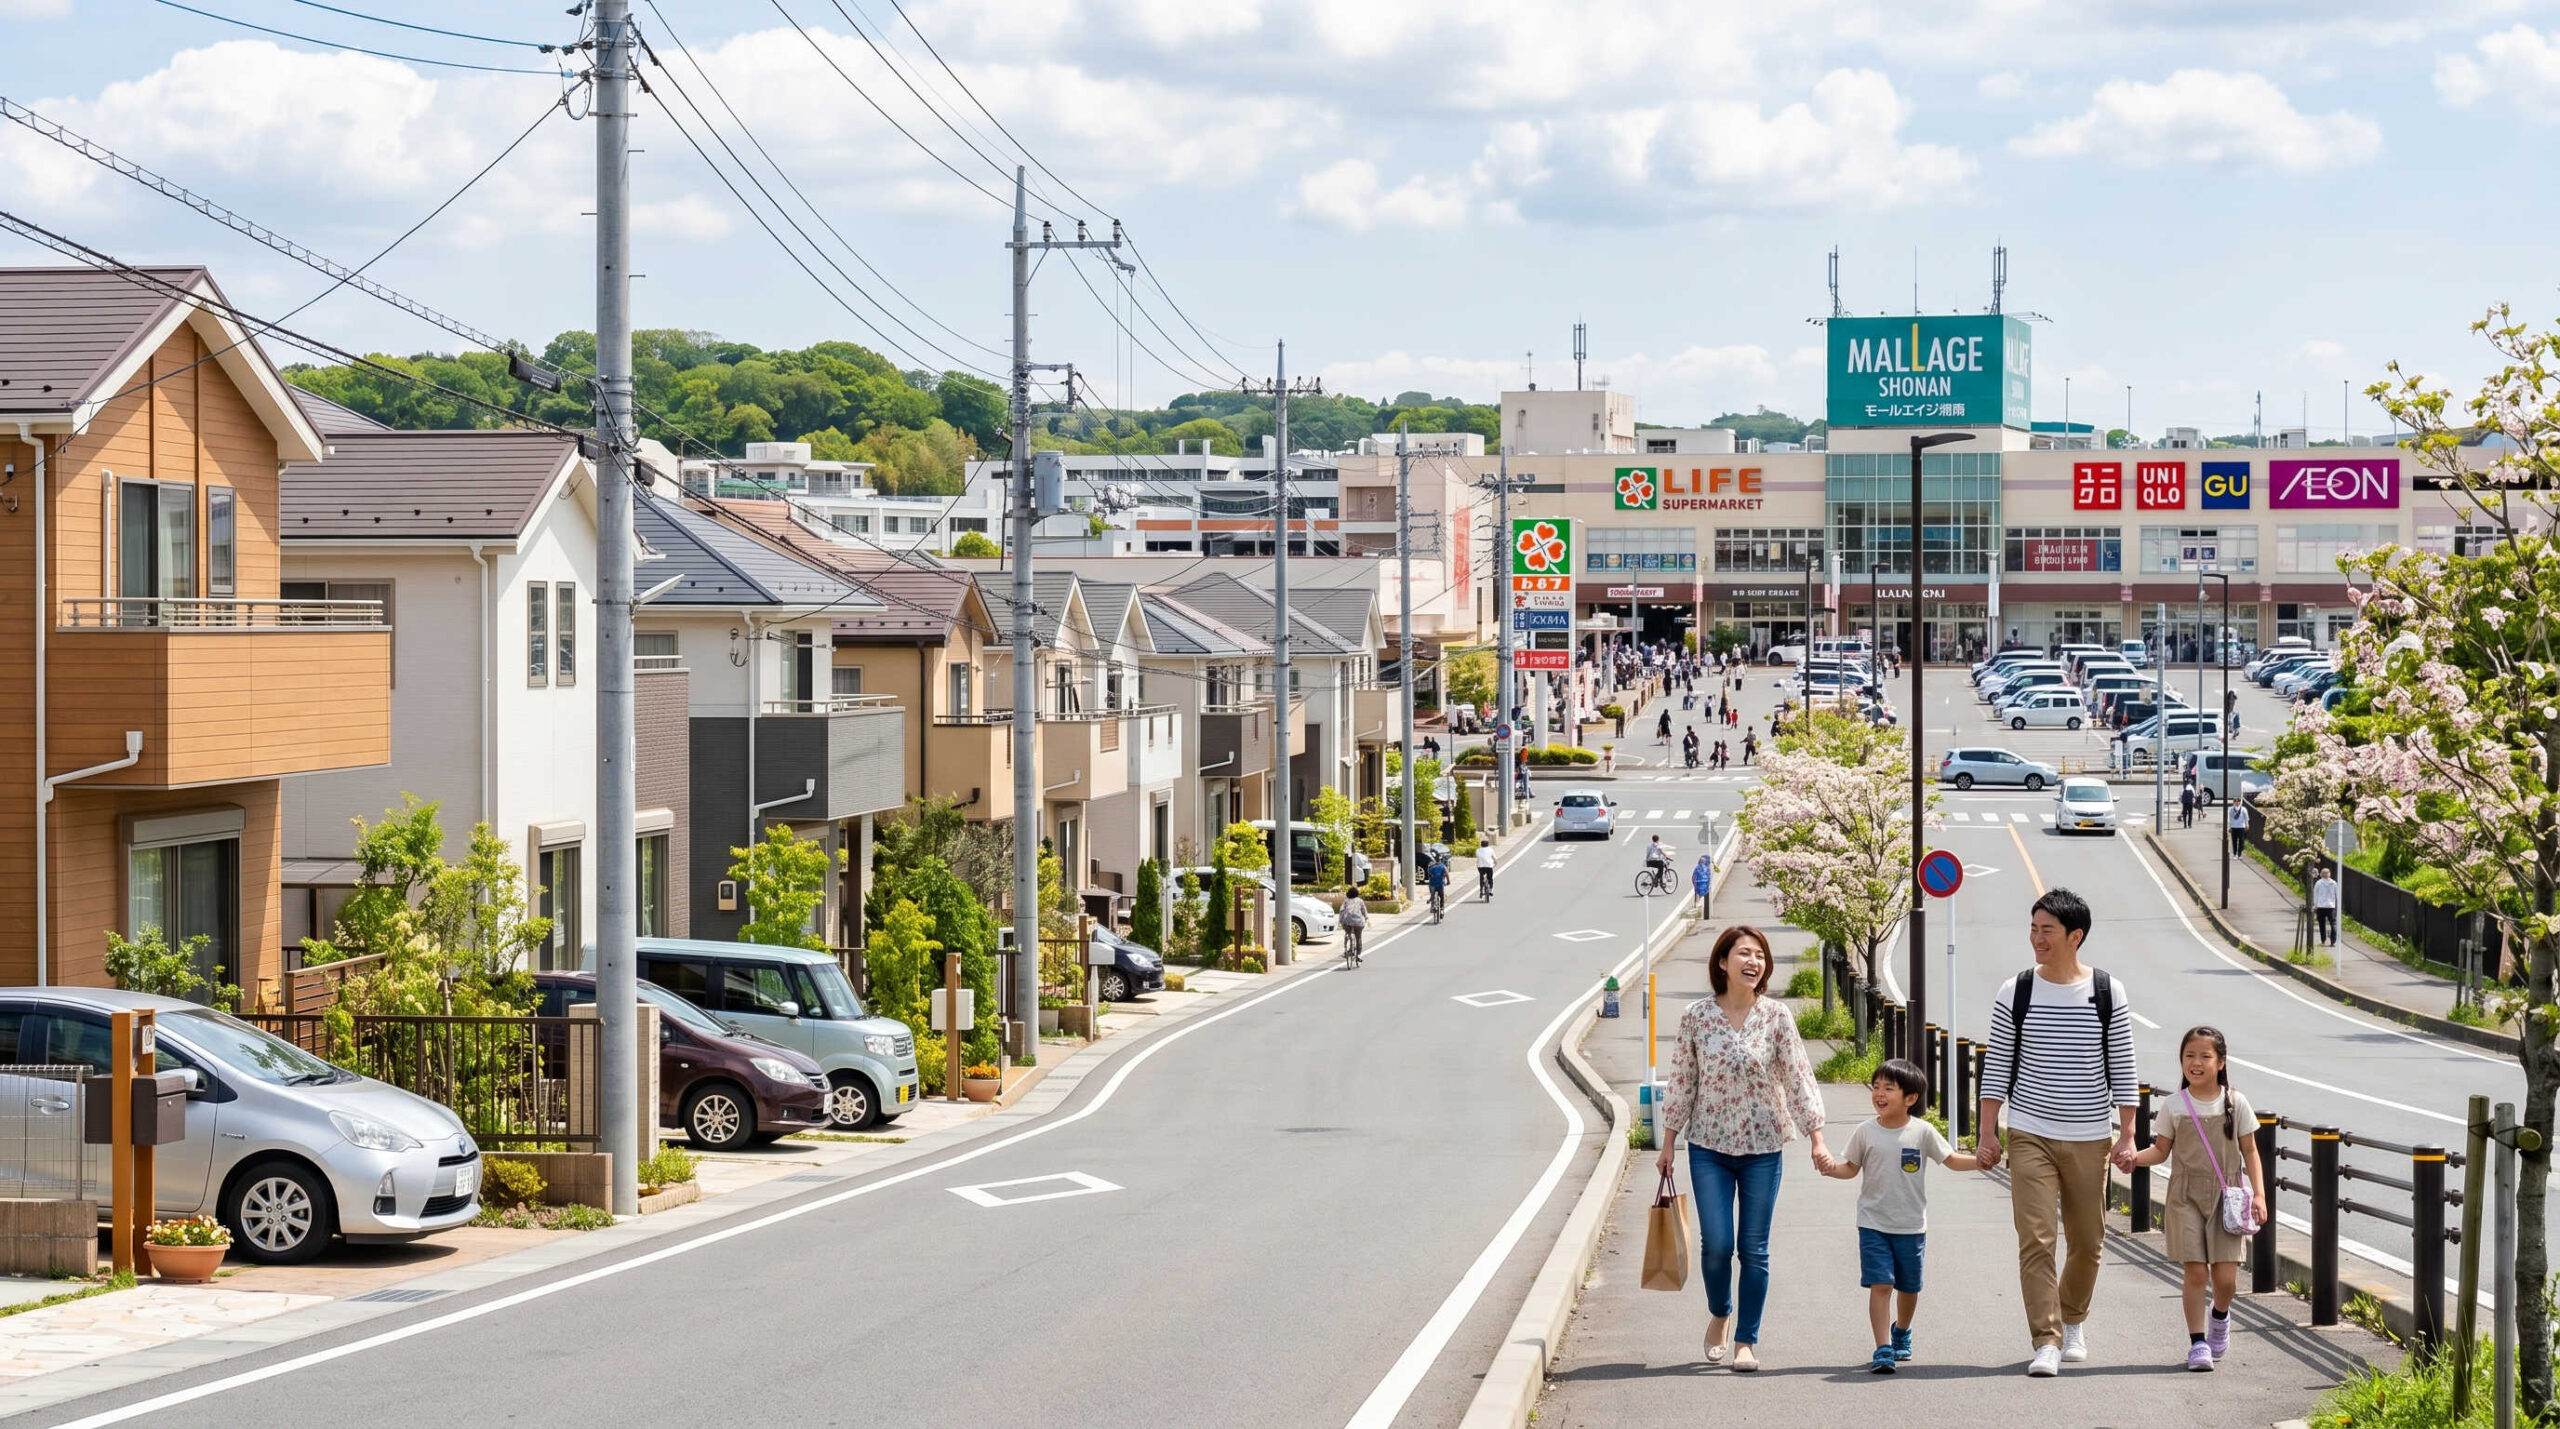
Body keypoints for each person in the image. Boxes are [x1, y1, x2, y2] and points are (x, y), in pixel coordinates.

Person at [1977, 888, 2139, 1378]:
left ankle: (2073, 1319)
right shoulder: (2017, 990)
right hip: (2029, 1131)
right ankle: (2045, 1339)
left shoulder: (2108, 990)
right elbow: (1997, 1066)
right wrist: (1989, 1132)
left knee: (2088, 1241)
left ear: (2075, 937)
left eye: (2047, 930)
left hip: (2091, 1135)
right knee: (2037, 1239)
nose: (2036, 938)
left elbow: (2124, 1070)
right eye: (2033, 928)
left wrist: (2127, 1135)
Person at [1655, 925, 1832, 1372]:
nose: (1753, 962)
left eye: (1760, 955)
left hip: (1764, 1146)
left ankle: (1746, 1342)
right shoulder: (1697, 1017)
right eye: (1744, 954)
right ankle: (1720, 1310)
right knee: (1717, 1244)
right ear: (1722, 963)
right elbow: (1682, 1080)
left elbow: (1797, 1075)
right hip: (1709, 1145)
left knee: (1753, 1247)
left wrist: (1816, 1135)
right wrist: (1668, 1141)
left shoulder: (1777, 1017)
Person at [1815, 1058, 1983, 1372]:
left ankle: (1902, 1330)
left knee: (1909, 1287)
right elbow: (1850, 1169)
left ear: (1910, 1098)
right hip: (1873, 1223)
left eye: (1888, 1088)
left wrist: (1980, 1162)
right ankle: (1882, 1348)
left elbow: (1951, 1160)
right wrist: (1829, 1169)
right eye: (1876, 1087)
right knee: (1881, 1285)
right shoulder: (1865, 1132)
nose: (1879, 1093)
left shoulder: (1922, 1132)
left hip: (1911, 1225)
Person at [2126, 1027, 2266, 1371]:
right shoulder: (2173, 1105)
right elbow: (2161, 1152)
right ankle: (2198, 1343)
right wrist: (2132, 1157)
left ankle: (2220, 1314)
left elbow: (2250, 1150)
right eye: (2190, 1056)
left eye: (2205, 1056)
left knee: (2226, 1279)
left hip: (2227, 1195)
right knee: (2194, 1274)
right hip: (2184, 1196)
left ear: (2221, 1062)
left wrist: (2259, 1195)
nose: (2196, 1063)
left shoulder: (2236, 1101)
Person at [1338, 889, 1368, 966]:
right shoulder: (1360, 901)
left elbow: (1341, 911)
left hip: (1347, 922)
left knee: (1348, 932)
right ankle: (1358, 955)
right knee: (1358, 938)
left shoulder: (1346, 901)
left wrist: (1340, 921)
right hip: (1359, 922)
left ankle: (1348, 946)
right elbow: (1364, 910)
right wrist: (1366, 917)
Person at [2311, 869, 2339, 945]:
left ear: (2321, 874)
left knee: (2322, 924)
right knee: (2333, 923)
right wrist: (2338, 905)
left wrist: (2315, 905)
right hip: (2331, 906)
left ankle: (2323, 940)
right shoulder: (2334, 883)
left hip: (2321, 906)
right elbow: (2338, 895)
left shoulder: (2318, 883)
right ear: (2329, 874)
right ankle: (2333, 940)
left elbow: (2315, 895)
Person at [1423, 851, 1449, 919]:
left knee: (1432, 893)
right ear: (1441, 859)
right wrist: (1448, 882)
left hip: (1432, 884)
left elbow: (1429, 875)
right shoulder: (1443, 866)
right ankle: (1442, 909)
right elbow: (1447, 874)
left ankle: (1432, 905)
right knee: (1442, 896)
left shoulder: (1431, 866)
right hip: (1440, 884)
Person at [1691, 851, 1714, 919]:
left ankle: (1696, 904)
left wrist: (1695, 882)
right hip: (1704, 883)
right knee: (1704, 892)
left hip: (1698, 882)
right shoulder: (1707, 868)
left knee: (1697, 892)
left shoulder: (1697, 868)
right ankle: (1698, 905)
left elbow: (1693, 877)